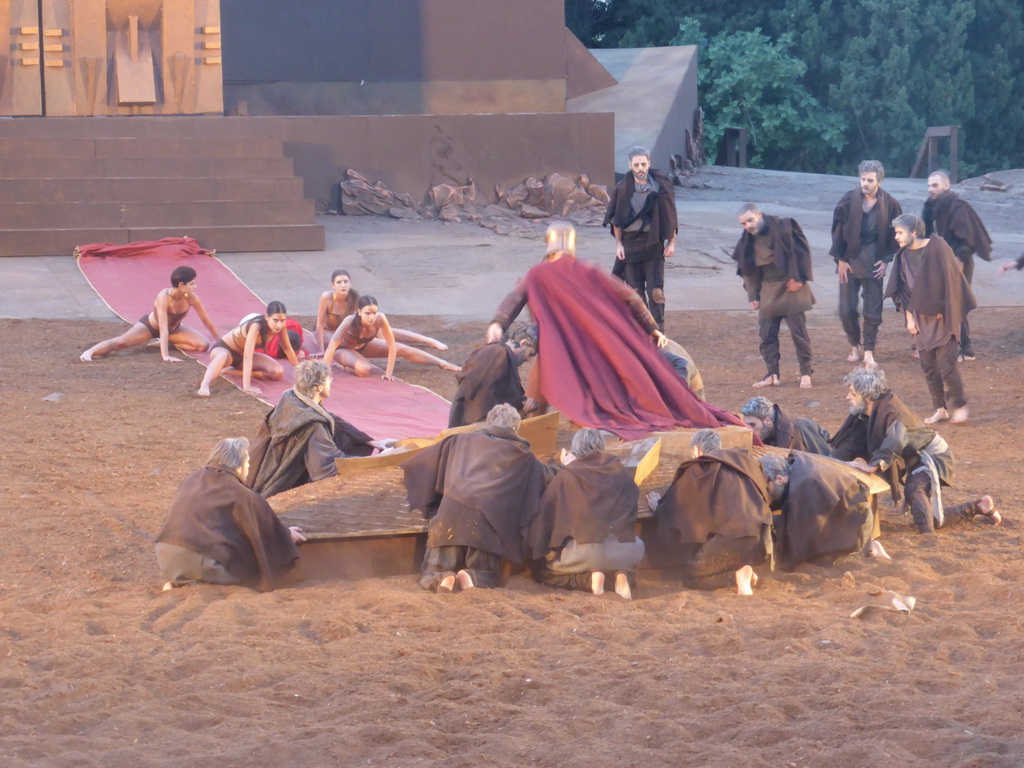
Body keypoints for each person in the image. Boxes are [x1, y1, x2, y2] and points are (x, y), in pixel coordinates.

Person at [487, 221, 746, 441]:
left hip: (560, 351)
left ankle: (538, 437)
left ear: (548, 243)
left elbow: (514, 298)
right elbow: (631, 297)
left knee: (537, 398)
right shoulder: (588, 271)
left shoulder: (537, 274)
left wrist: (498, 324)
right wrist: (652, 329)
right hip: (599, 347)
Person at [402, 404, 551, 592]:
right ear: (516, 427)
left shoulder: (459, 440)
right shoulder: (523, 456)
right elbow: (542, 479)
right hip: (486, 526)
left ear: (489, 422)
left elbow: (423, 462)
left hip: (449, 517)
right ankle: (472, 576)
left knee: (431, 570)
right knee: (486, 573)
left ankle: (442, 576)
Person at [834, 367, 1001, 534]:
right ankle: (980, 506)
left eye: (853, 393)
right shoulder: (867, 412)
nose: (848, 397)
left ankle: (928, 539)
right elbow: (850, 442)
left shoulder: (892, 411)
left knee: (915, 490)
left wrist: (874, 465)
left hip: (933, 456)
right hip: (917, 458)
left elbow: (896, 439)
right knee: (932, 515)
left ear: (867, 395)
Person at [155, 437, 306, 592]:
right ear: (239, 466)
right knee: (245, 578)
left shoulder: (191, 478)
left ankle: (178, 581)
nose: (248, 467)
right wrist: (286, 534)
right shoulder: (237, 490)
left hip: (165, 555)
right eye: (247, 463)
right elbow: (262, 521)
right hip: (195, 559)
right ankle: (192, 582)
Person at [649, 429, 773, 596]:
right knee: (725, 556)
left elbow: (677, 507)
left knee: (694, 577)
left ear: (696, 451)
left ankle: (736, 576)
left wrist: (658, 507)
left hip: (731, 537)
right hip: (760, 537)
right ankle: (743, 570)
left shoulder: (700, 468)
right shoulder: (745, 462)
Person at [523, 429, 644, 599]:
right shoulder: (622, 473)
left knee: (548, 574)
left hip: (588, 553)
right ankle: (622, 575)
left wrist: (568, 468)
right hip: (629, 550)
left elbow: (545, 518)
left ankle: (591, 579)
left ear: (575, 449)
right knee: (614, 562)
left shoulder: (567, 475)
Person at [246, 359, 392, 497]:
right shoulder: (312, 427)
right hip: (277, 485)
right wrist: (378, 460)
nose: (331, 383)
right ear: (319, 387)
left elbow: (331, 418)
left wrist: (369, 441)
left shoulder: (291, 398)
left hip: (258, 476)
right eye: (330, 380)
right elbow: (326, 466)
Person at [885, 213, 976, 424]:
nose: (896, 237)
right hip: (920, 319)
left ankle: (960, 404)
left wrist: (946, 312)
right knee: (928, 367)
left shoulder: (938, 248)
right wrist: (910, 318)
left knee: (947, 365)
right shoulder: (902, 257)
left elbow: (953, 283)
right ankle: (940, 408)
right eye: (895, 233)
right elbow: (904, 292)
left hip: (944, 319)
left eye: (900, 233)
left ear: (913, 232)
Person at [733, 203, 816, 389]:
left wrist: (800, 278)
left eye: (750, 220)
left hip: (791, 285)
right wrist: (752, 295)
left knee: (799, 334)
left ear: (759, 215)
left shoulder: (784, 227)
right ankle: (772, 374)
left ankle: (805, 372)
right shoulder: (747, 240)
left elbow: (802, 252)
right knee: (766, 334)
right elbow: (748, 270)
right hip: (768, 289)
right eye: (743, 223)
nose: (748, 226)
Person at [830, 160, 903, 368]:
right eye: (863, 179)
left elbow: (897, 232)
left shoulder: (890, 203)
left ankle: (869, 350)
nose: (865, 183)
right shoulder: (847, 200)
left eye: (870, 180)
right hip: (850, 260)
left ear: (879, 181)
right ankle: (854, 343)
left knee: (873, 310)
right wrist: (841, 259)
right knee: (846, 309)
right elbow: (836, 231)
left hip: (874, 260)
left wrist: (887, 259)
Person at [758, 452, 885, 569]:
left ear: (779, 479)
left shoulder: (804, 486)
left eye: (767, 488)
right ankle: (869, 546)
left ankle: (866, 549)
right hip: (854, 511)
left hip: (857, 523)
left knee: (816, 561)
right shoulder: (796, 466)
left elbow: (800, 535)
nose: (768, 492)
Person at [602, 145, 678, 331]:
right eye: (636, 165)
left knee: (656, 292)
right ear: (630, 165)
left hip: (653, 244)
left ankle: (659, 331)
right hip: (630, 245)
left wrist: (672, 243)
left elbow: (671, 215)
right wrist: (618, 244)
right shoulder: (622, 189)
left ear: (649, 163)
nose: (640, 168)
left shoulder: (662, 186)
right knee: (635, 293)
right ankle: (644, 331)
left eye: (643, 164)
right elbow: (616, 220)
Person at [81, 265, 219, 363]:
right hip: (150, 327)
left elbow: (206, 321)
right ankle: (90, 352)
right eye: (192, 284)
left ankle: (165, 343)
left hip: (174, 329)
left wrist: (220, 342)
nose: (195, 287)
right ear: (181, 284)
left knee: (202, 345)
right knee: (120, 342)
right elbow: (163, 327)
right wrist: (165, 356)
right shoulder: (164, 297)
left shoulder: (191, 297)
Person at [923, 170, 993, 361]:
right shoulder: (930, 206)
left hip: (959, 261)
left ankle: (965, 349)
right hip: (940, 261)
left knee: (958, 303)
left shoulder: (959, 207)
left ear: (946, 186)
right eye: (929, 185)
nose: (931, 189)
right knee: (940, 302)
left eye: (935, 185)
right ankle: (944, 343)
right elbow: (926, 234)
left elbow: (968, 239)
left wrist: (959, 261)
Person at [322, 294, 459, 380]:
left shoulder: (380, 318)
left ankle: (441, 363)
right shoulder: (349, 321)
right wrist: (324, 372)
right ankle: (343, 365)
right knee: (364, 370)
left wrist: (388, 372)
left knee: (403, 349)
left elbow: (392, 344)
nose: (372, 317)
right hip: (343, 349)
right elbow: (332, 346)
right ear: (359, 312)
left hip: (364, 346)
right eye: (367, 313)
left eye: (374, 312)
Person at [314, 269, 448, 354]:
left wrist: (384, 341)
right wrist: (320, 350)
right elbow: (319, 324)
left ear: (350, 283)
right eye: (339, 282)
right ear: (333, 285)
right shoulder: (326, 298)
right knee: (334, 342)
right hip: (329, 331)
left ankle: (428, 341)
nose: (343, 285)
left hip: (350, 330)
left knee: (386, 330)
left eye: (345, 281)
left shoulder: (355, 299)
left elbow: (364, 321)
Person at [197, 300, 300, 397]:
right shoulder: (256, 326)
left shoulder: (280, 327)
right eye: (275, 320)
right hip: (224, 350)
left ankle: (232, 372)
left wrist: (299, 369)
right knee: (223, 356)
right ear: (267, 317)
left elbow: (287, 348)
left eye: (282, 320)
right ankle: (205, 384)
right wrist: (247, 386)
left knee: (278, 372)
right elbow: (247, 356)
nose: (279, 324)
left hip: (241, 357)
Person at [448, 324, 538, 428]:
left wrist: (525, 402)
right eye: (530, 354)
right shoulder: (498, 354)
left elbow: (503, 395)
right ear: (523, 343)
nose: (528, 360)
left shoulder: (502, 354)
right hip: (473, 427)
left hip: (474, 426)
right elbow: (482, 398)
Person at [740, 396, 832, 455]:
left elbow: (827, 457)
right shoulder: (770, 431)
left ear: (768, 420)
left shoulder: (797, 431)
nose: (749, 430)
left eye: (753, 425)